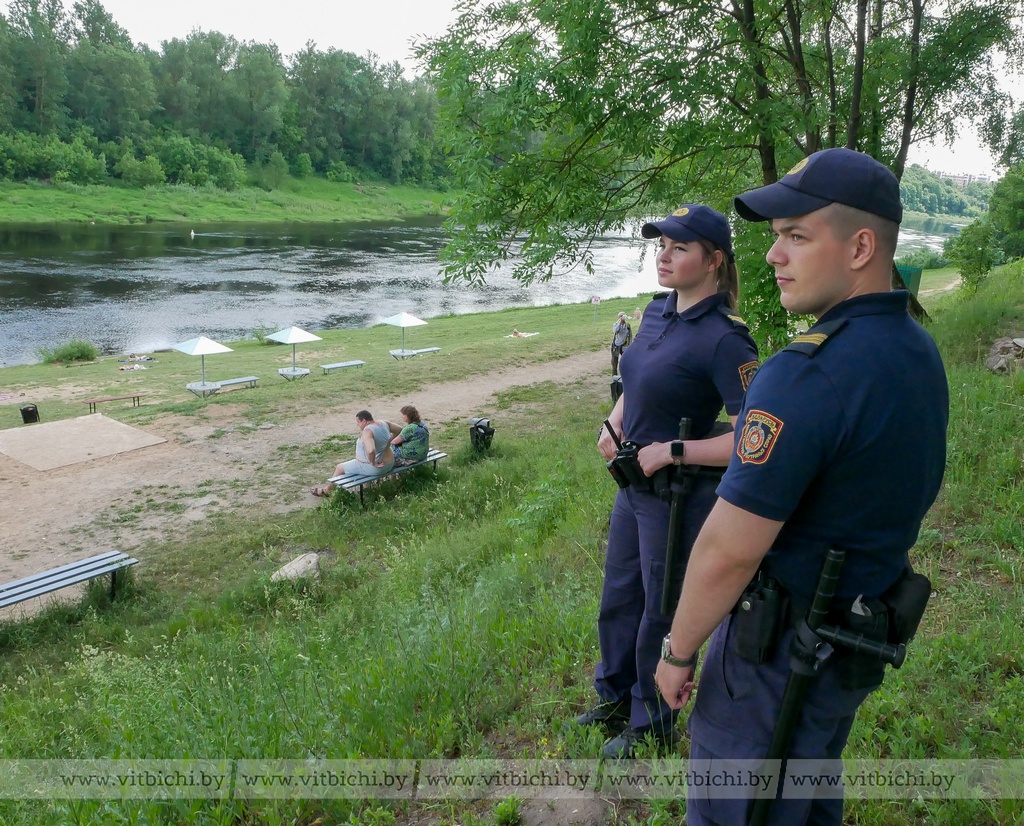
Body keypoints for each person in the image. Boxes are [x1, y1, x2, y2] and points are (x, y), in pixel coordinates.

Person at [654, 149, 949, 824]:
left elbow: (730, 550)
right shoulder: (915, 349)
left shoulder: (806, 374)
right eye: (774, 236)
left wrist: (676, 652)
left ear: (861, 247)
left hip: (776, 662)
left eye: (796, 235)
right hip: (850, 642)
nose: (771, 256)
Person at [580, 204, 760, 759]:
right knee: (619, 596)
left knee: (660, 609)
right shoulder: (658, 312)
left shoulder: (727, 339)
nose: (664, 255)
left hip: (676, 497)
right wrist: (612, 423)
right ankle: (612, 697)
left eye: (679, 248)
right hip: (631, 485)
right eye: (661, 245)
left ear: (713, 261)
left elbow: (754, 438)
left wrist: (673, 451)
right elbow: (636, 382)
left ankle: (649, 722)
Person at [310, 410, 395, 496]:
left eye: (358, 422)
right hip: (390, 463)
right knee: (352, 465)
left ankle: (326, 490)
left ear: (364, 421)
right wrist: (390, 441)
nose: (357, 425)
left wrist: (373, 463)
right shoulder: (383, 423)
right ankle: (368, 487)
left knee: (340, 467)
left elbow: (371, 450)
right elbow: (400, 430)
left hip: (377, 468)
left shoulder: (368, 431)